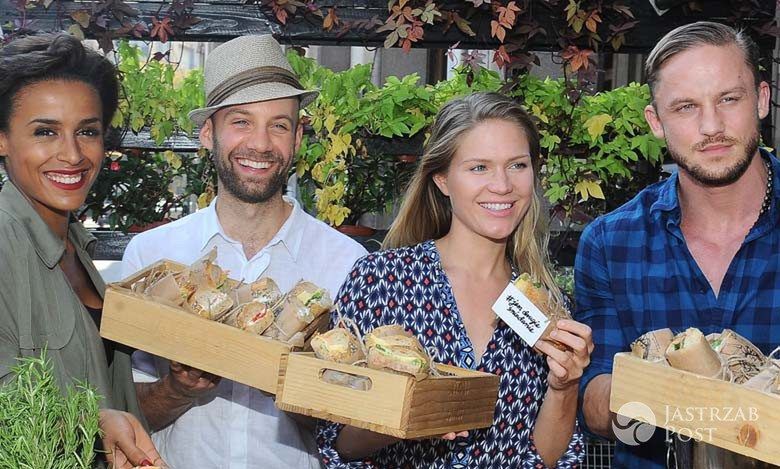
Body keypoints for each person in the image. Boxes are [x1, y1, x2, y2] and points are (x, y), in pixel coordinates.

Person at [119, 34, 367, 468]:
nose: (261, 144)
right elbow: (124, 412)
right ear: (207, 133)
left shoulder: (347, 263)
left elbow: (354, 431)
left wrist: (296, 383)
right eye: (241, 121)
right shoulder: (152, 255)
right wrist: (178, 389)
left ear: (298, 137)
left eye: (279, 124)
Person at [316, 92, 591, 468]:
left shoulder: (544, 305)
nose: (502, 185)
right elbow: (338, 442)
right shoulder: (382, 279)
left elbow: (547, 458)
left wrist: (564, 386)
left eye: (517, 165)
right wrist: (410, 412)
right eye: (479, 167)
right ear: (442, 179)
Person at [575, 21, 778, 468]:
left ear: (762, 99)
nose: (711, 126)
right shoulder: (611, 243)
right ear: (656, 122)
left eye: (729, 98)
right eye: (685, 107)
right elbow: (592, 401)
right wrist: (659, 396)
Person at [0, 33, 162, 468]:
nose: (72, 154)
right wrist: (88, 421)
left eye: (87, 131)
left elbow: (108, 398)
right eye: (45, 131)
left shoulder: (76, 248)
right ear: (2, 140)